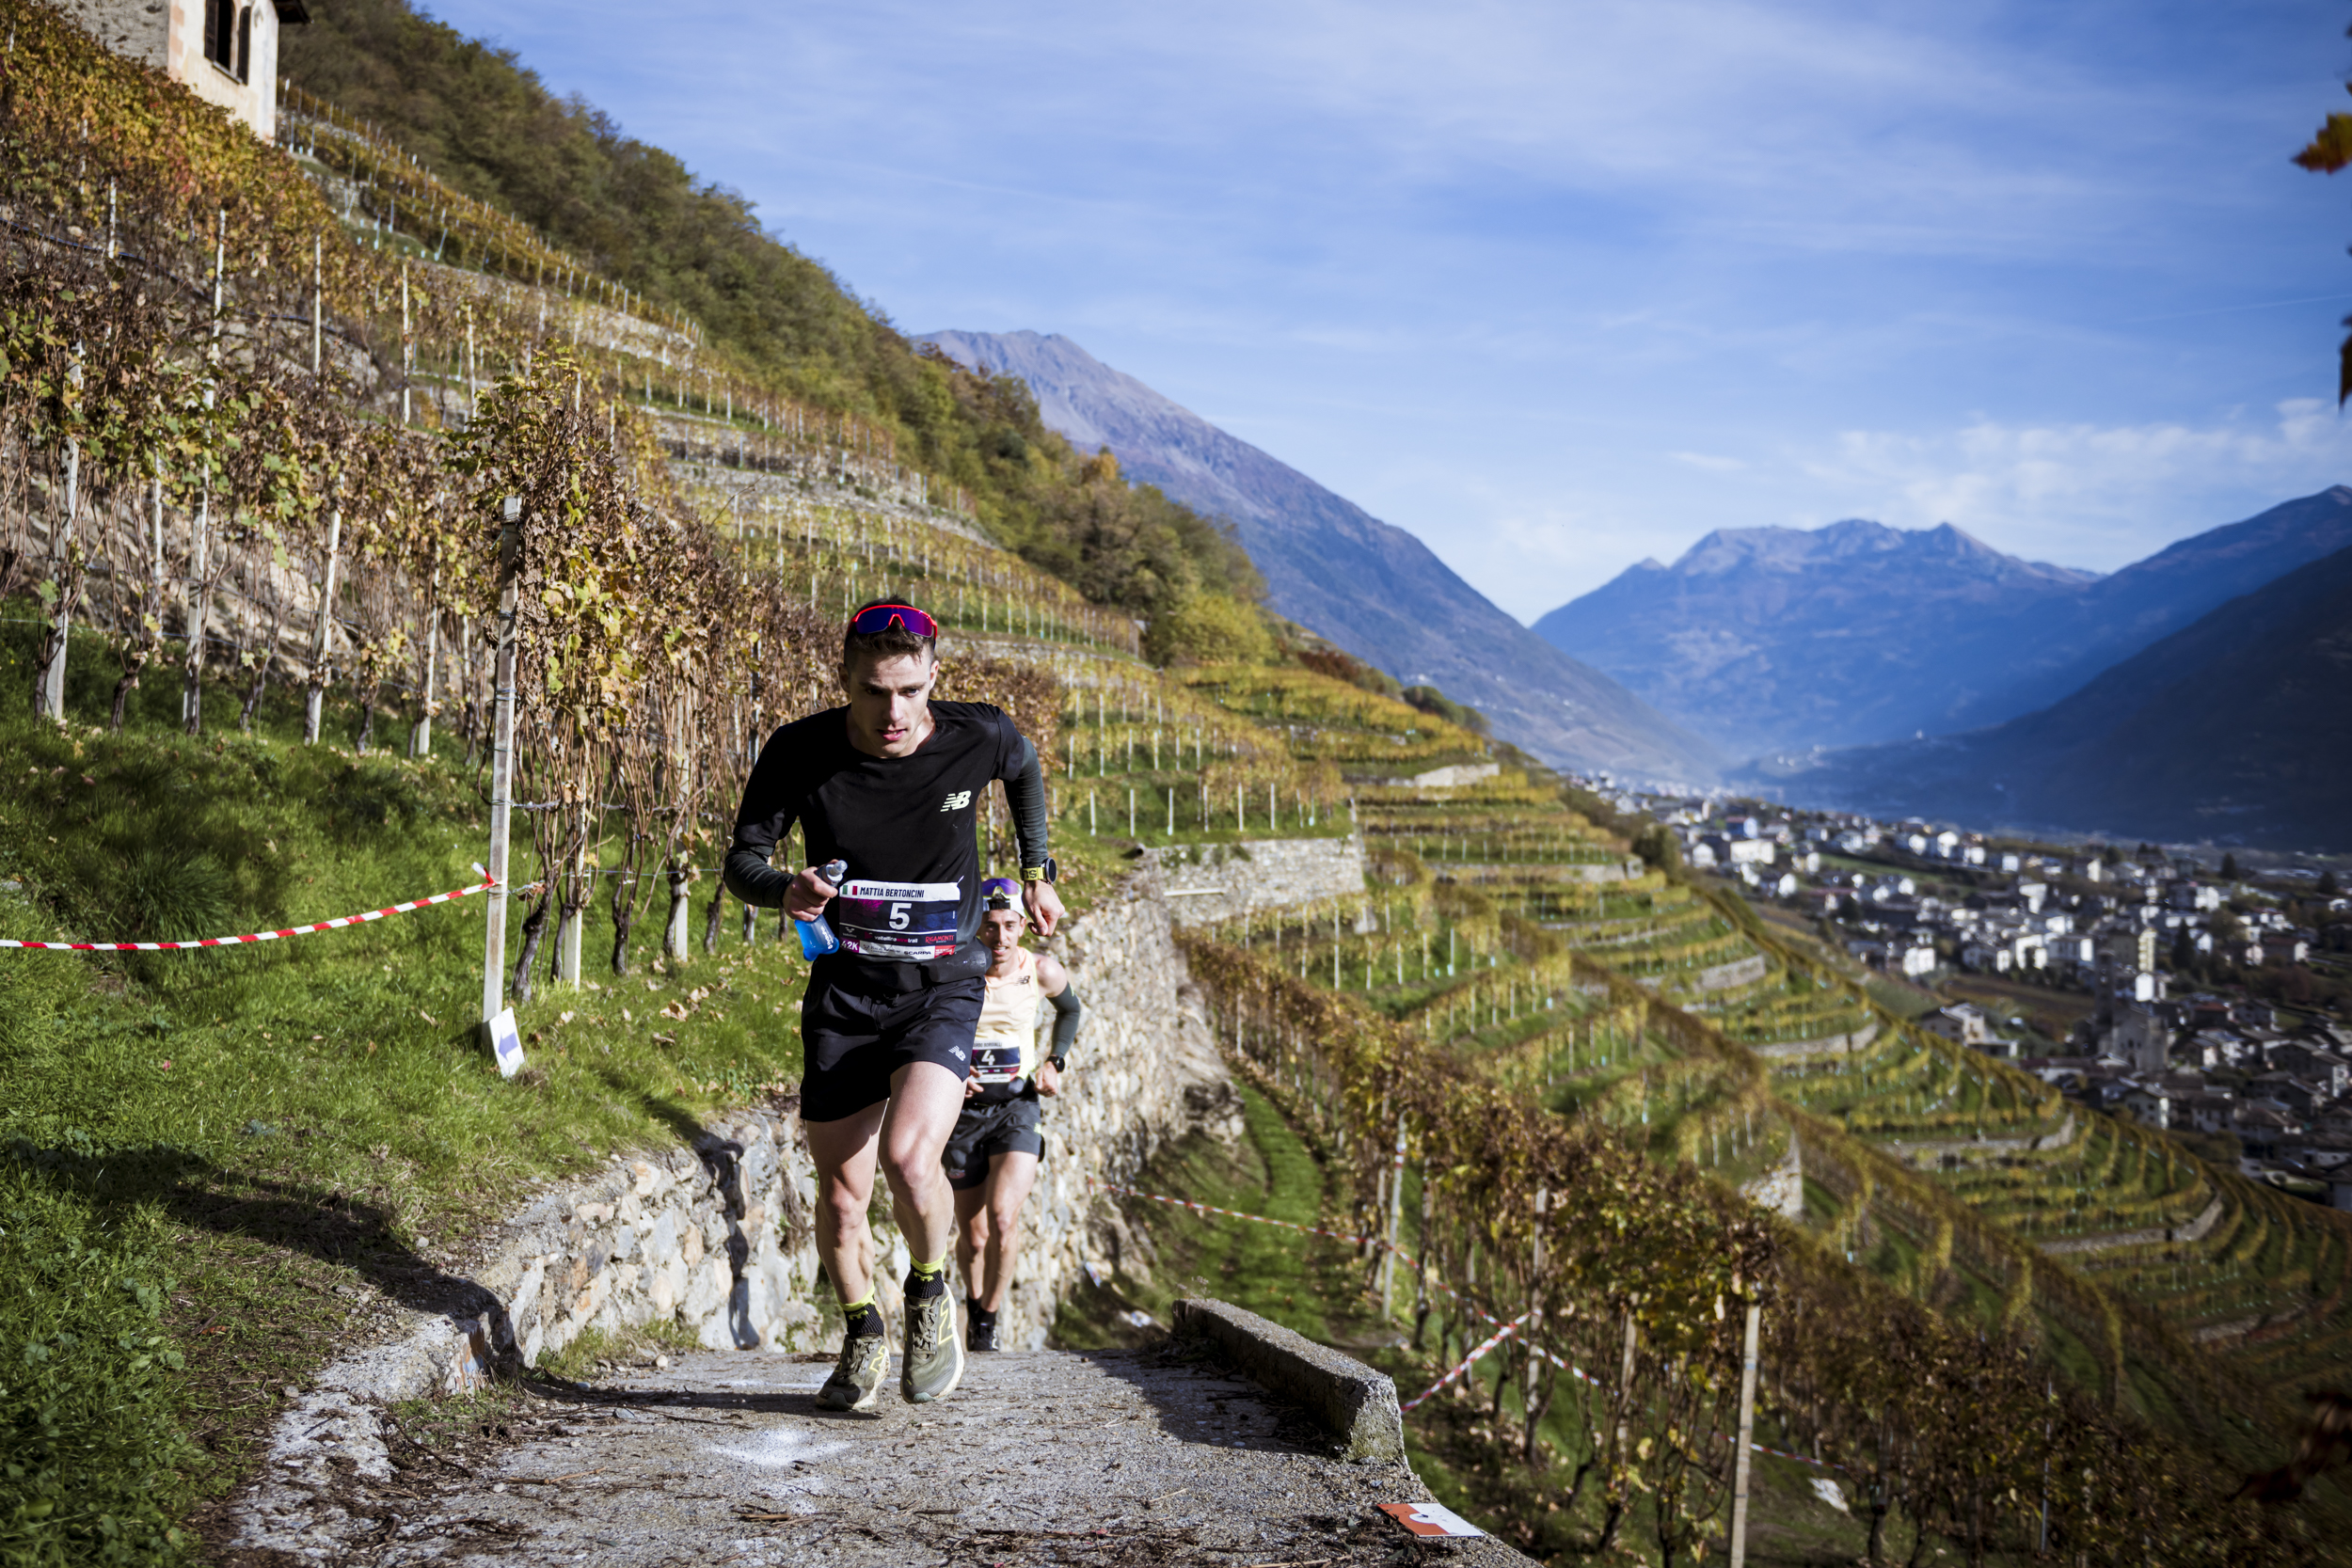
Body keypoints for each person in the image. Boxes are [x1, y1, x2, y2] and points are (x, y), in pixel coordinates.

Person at [723, 600, 1063, 1412]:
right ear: (845, 680)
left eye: (910, 690)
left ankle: (928, 1292)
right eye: (875, 692)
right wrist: (785, 890)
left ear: (933, 676)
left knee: (911, 1159)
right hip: (844, 994)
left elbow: (1025, 769)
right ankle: (861, 1331)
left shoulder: (976, 736)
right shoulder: (798, 750)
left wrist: (1038, 867)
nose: (894, 713)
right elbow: (741, 861)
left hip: (941, 988)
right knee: (841, 1196)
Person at [944, 878, 1082, 1352]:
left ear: (1023, 926)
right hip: (961, 1113)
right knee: (975, 1234)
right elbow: (927, 1026)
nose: (999, 938)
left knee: (1003, 1217)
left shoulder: (1041, 970)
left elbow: (1070, 1011)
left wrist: (1054, 1061)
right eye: (988, 927)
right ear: (974, 927)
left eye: (1008, 926)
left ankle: (988, 1319)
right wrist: (951, 1070)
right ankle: (973, 1299)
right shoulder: (955, 972)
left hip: (1017, 1107)